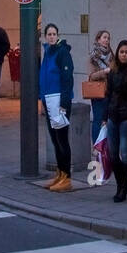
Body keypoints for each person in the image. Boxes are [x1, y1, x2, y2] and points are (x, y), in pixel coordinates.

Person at [39, 22, 77, 191]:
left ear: (58, 35)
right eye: (49, 34)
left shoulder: (62, 53)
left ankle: (67, 177)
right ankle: (60, 173)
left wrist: (64, 103)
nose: (52, 36)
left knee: (62, 140)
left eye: (54, 34)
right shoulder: (47, 52)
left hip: (59, 102)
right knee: (55, 140)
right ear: (45, 36)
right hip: (49, 101)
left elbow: (68, 79)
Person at [104, 39, 127, 204]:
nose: (124, 55)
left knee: (125, 152)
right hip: (113, 116)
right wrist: (105, 117)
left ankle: (123, 187)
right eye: (121, 52)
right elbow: (108, 94)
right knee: (112, 154)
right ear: (117, 53)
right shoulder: (113, 71)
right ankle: (120, 184)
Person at [86, 28, 111, 136]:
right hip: (98, 92)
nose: (107, 40)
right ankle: (96, 146)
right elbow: (91, 76)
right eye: (104, 37)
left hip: (110, 91)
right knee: (98, 119)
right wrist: (104, 72)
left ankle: (105, 146)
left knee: (108, 120)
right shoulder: (93, 56)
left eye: (108, 38)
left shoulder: (111, 54)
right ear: (98, 39)